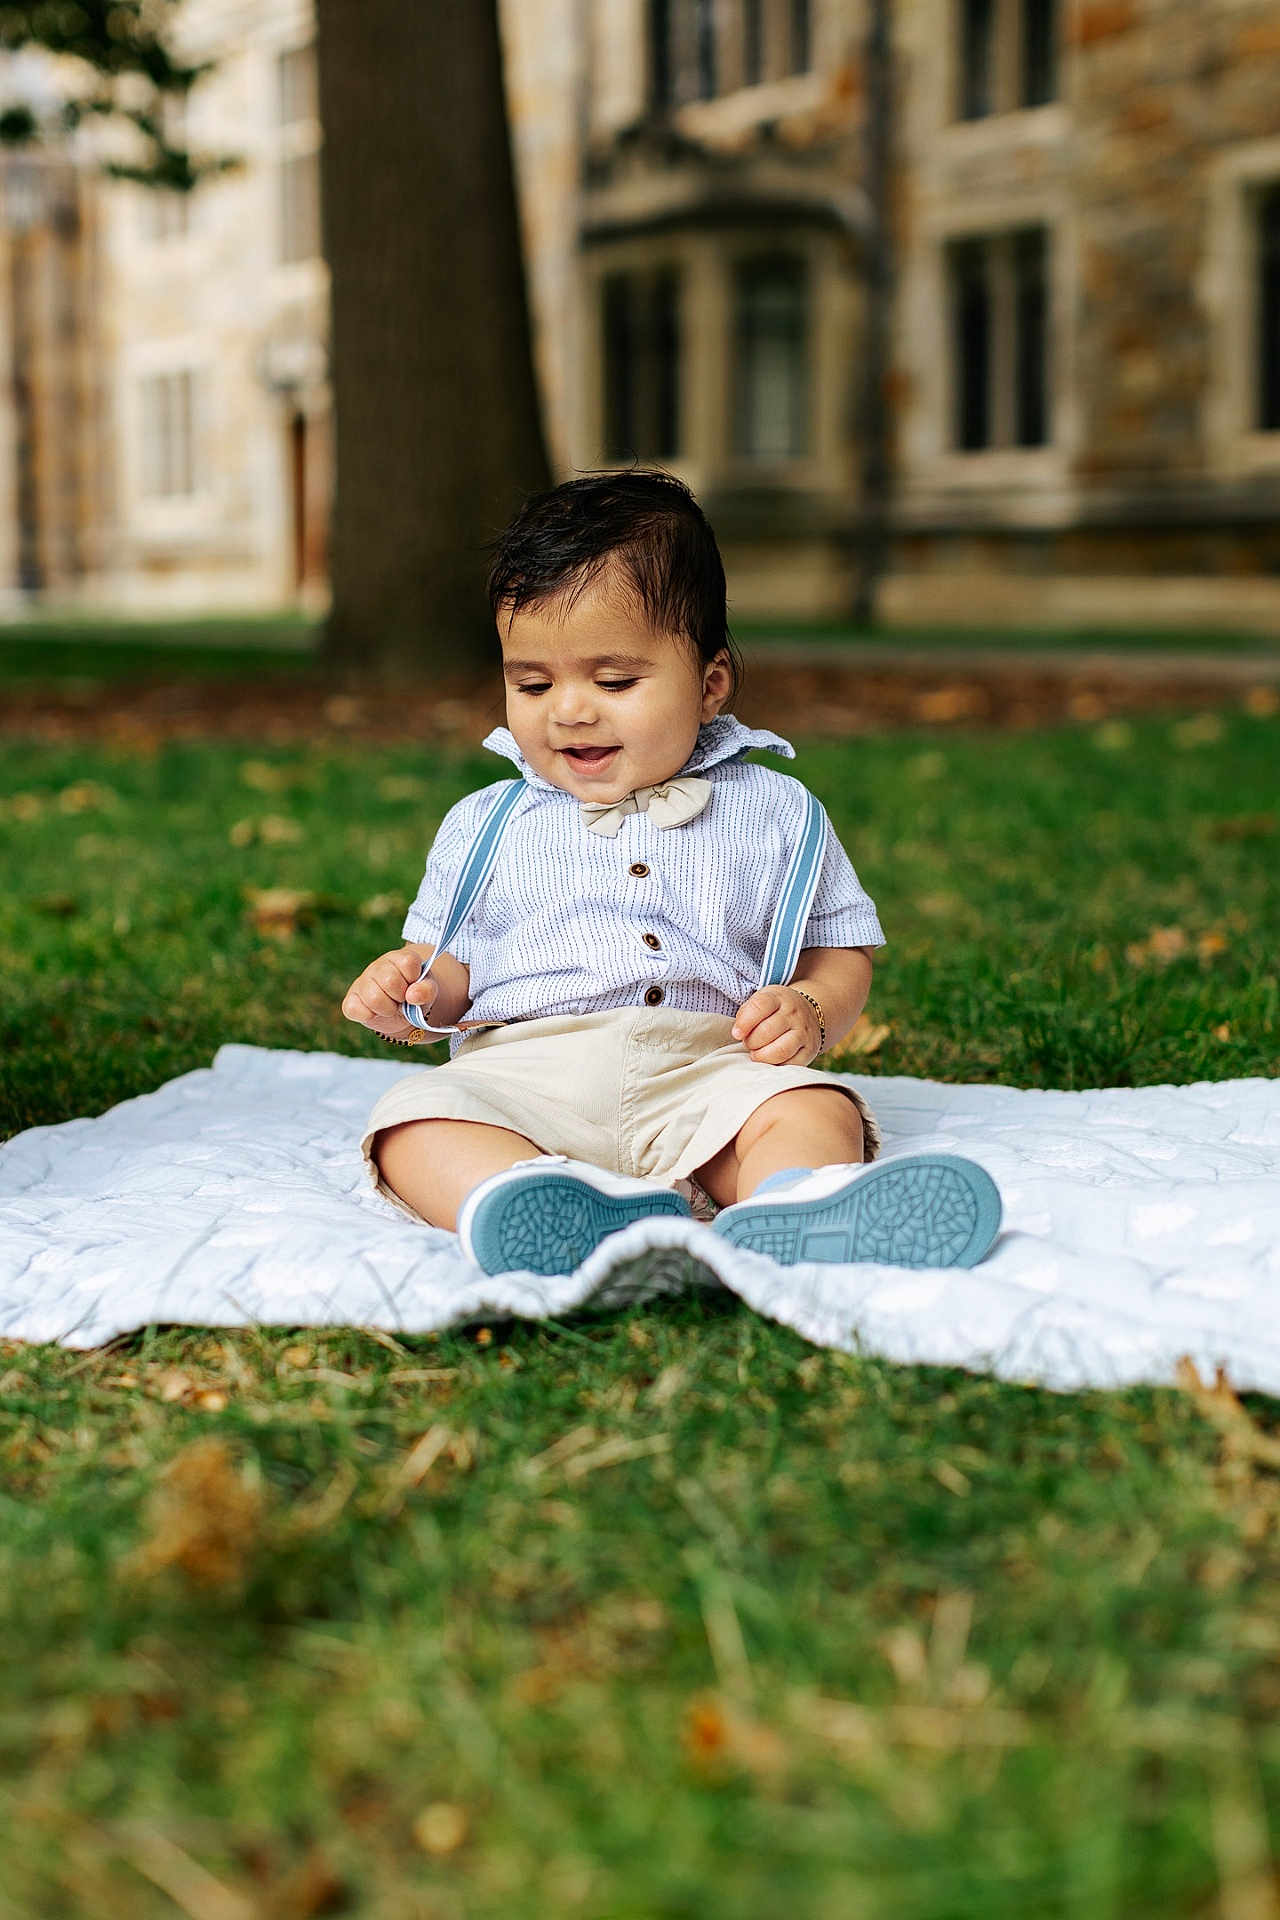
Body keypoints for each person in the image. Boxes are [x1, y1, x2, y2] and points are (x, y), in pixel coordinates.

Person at [342, 471, 1000, 1278]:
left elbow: (840, 951)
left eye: (614, 681)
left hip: (710, 1069)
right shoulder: (487, 823)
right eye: (532, 683)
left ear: (710, 684)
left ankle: (791, 1203)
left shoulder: (777, 814)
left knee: (808, 1105)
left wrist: (812, 1011)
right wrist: (412, 990)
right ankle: (527, 1202)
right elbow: (453, 969)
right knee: (414, 1122)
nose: (569, 710)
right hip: (525, 1076)